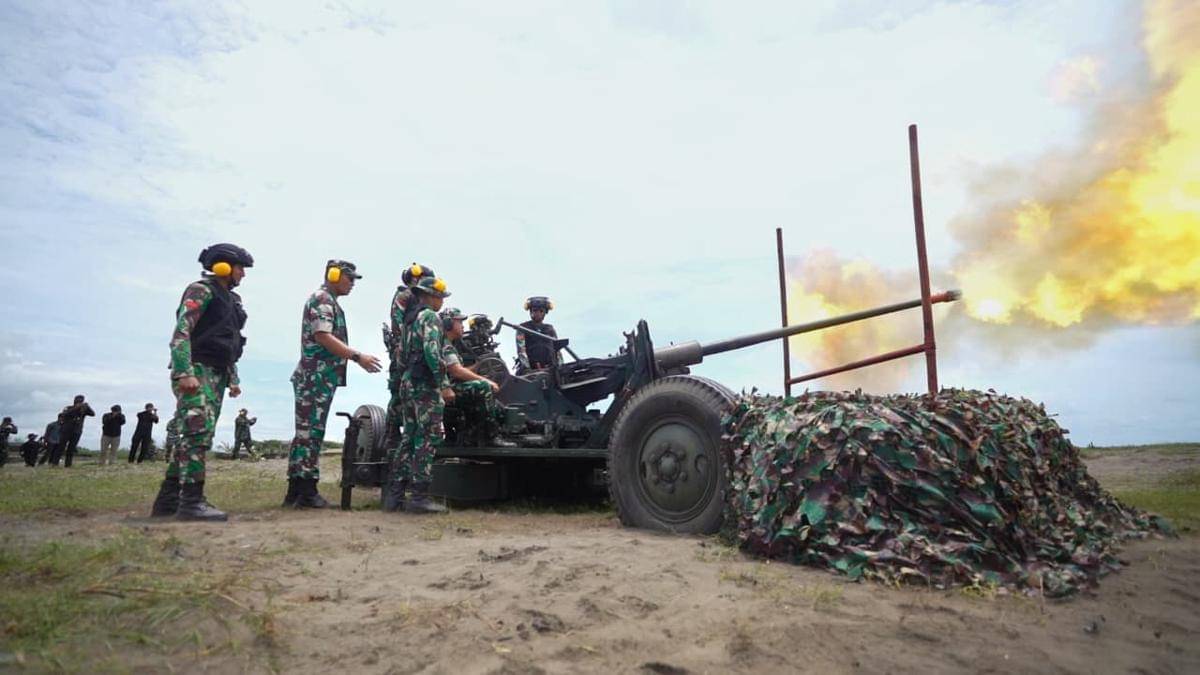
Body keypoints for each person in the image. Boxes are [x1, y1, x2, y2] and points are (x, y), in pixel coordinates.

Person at [148, 243, 253, 522]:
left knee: (194, 434)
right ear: (223, 266)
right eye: (241, 268)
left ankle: (168, 501)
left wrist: (232, 378)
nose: (243, 274)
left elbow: (229, 341)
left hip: (216, 373)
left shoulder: (231, 300)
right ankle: (192, 502)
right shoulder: (201, 290)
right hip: (196, 370)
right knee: (197, 434)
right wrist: (185, 372)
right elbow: (182, 330)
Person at [285, 259, 382, 509]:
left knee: (306, 434)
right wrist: (358, 357)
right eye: (350, 278)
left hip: (318, 377)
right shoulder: (323, 300)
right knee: (311, 434)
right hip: (314, 377)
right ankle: (305, 492)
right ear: (335, 275)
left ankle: (296, 492)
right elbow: (323, 336)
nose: (352, 284)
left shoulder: (329, 302)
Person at [395, 275, 454, 514]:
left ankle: (395, 496)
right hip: (425, 386)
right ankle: (419, 496)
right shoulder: (430, 316)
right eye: (439, 296)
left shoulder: (409, 320)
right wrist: (443, 384)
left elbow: (400, 355)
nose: (441, 301)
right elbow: (432, 351)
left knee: (408, 438)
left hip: (408, 382)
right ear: (428, 296)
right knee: (428, 437)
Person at [381, 262, 435, 512]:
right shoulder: (409, 300)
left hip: (405, 369)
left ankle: (394, 495)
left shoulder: (411, 307)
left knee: (408, 431)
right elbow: (423, 347)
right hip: (414, 371)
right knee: (422, 433)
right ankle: (417, 497)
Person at [439, 307, 515, 448]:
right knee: (483, 388)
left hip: (450, 387)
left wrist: (477, 368)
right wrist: (485, 380)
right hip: (446, 390)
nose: (462, 326)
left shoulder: (449, 345)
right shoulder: (444, 345)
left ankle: (472, 435)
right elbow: (456, 372)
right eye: (459, 322)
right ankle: (491, 437)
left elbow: (457, 370)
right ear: (448, 324)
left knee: (497, 407)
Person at [515, 296, 560, 375]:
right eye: (535, 310)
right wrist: (527, 369)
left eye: (541, 311)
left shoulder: (550, 328)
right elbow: (521, 350)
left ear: (545, 312)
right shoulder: (522, 328)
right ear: (531, 312)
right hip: (532, 371)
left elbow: (558, 350)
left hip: (551, 369)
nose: (538, 313)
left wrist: (560, 366)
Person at [59, 395, 95, 467]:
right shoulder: (68, 408)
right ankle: (54, 462)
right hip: (66, 430)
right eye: (78, 401)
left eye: (81, 401)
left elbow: (93, 414)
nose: (79, 403)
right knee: (61, 447)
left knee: (71, 448)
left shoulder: (83, 410)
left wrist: (87, 407)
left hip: (77, 431)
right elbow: (64, 414)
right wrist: (76, 408)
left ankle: (68, 465)